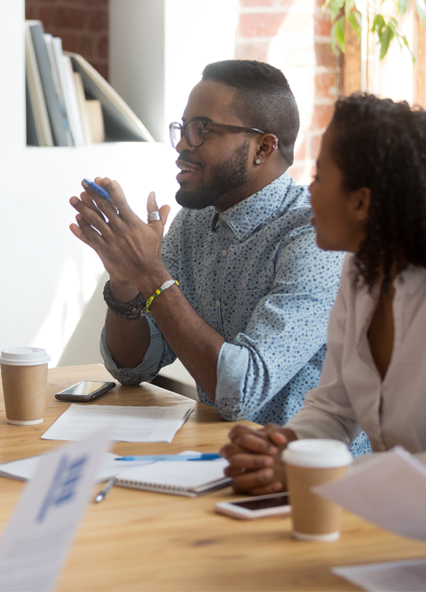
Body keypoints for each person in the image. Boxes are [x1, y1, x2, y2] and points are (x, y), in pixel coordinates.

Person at [70, 60, 361, 443]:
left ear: (263, 147)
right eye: (183, 127)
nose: (181, 145)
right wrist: (126, 283)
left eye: (201, 130)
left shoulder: (315, 239)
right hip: (218, 459)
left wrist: (151, 273)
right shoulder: (193, 224)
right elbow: (133, 368)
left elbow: (241, 392)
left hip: (305, 478)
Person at [221, 93, 426, 494]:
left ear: (361, 202)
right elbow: (334, 407)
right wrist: (281, 451)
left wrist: (311, 473)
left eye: (319, 177)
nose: (308, 190)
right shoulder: (360, 270)